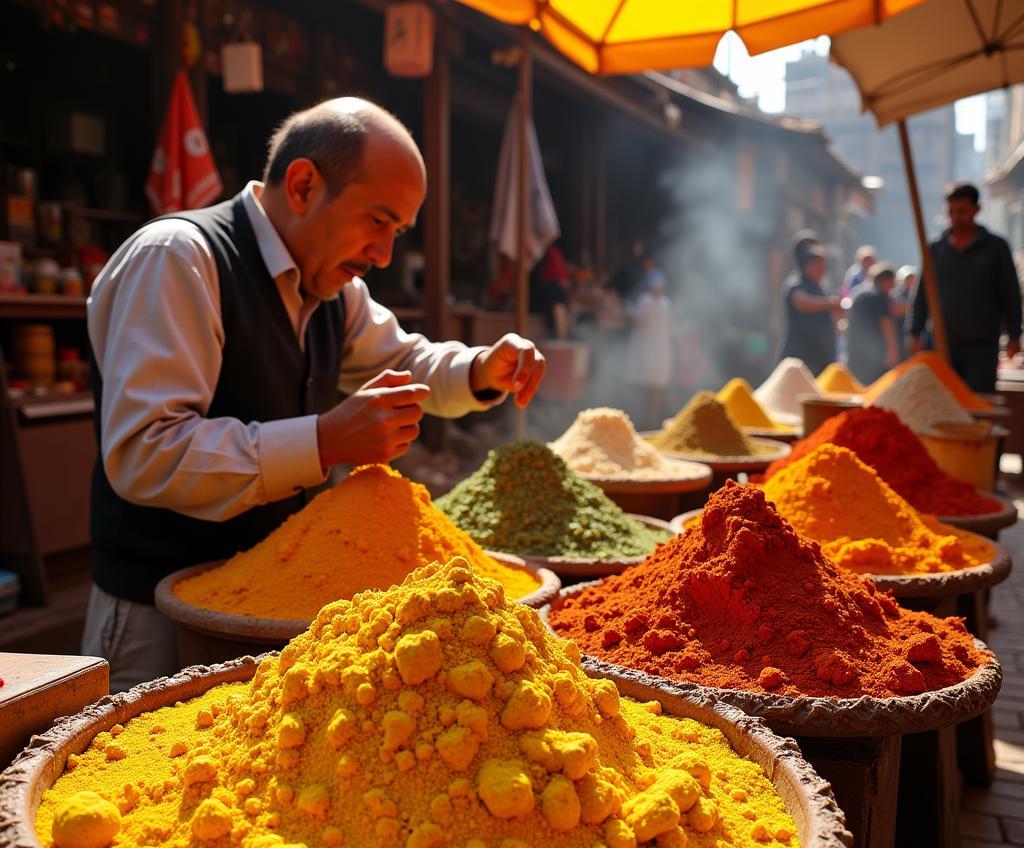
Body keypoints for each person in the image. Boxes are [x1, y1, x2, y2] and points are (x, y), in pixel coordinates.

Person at [83, 97, 546, 690]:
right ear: (302, 185)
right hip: (156, 613)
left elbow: (406, 360)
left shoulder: (331, 290)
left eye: (397, 232)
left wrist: (482, 368)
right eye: (377, 221)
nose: (383, 255)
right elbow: (147, 451)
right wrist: (326, 439)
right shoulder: (178, 259)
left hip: (265, 608)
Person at [909, 182, 1022, 392]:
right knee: (943, 401)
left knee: (977, 400)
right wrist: (915, 332)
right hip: (942, 343)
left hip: (982, 345)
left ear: (977, 209)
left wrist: (1014, 334)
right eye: (951, 212)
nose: (956, 217)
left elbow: (1010, 293)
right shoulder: (936, 249)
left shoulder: (995, 248)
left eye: (962, 211)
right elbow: (922, 293)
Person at [780, 242, 841, 375]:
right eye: (819, 264)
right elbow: (801, 302)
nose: (823, 269)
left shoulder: (821, 288)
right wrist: (830, 304)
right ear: (808, 265)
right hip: (801, 358)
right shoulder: (797, 283)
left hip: (821, 360)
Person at [626, 270, 673, 429]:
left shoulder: (647, 301)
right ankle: (650, 421)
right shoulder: (664, 302)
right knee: (652, 388)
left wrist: (627, 310)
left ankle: (647, 422)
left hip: (650, 350)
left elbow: (640, 319)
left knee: (649, 388)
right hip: (657, 350)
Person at [846, 263, 900, 383]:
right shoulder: (879, 297)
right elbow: (886, 322)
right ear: (885, 280)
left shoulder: (859, 294)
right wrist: (892, 350)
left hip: (856, 352)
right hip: (875, 355)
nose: (894, 286)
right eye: (892, 282)